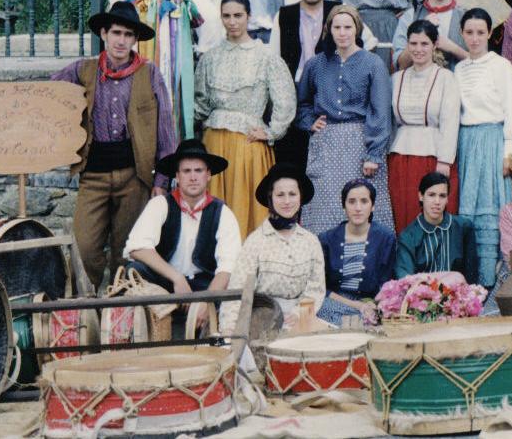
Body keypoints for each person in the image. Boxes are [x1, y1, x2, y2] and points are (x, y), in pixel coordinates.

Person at [52, 1, 176, 287]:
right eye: (117, 33)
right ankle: (88, 315)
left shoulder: (150, 73)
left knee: (127, 251)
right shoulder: (83, 70)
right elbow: (46, 96)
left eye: (128, 35)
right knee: (84, 248)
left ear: (135, 40)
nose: (122, 41)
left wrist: (162, 180)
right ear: (104, 34)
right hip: (92, 176)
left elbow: (165, 129)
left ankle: (121, 319)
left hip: (135, 176)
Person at [195, 0, 297, 236]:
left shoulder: (266, 57)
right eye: (226, 16)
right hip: (214, 143)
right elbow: (200, 102)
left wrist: (272, 131)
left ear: (248, 17)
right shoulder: (210, 58)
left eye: (238, 15)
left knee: (246, 209)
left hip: (249, 145)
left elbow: (285, 99)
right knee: (214, 210)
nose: (232, 22)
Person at [124, 139, 240, 332]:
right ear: (177, 176)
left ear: (208, 175)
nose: (193, 177)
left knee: (232, 290)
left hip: (203, 286)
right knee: (134, 270)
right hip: (165, 285)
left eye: (198, 171)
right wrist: (177, 278)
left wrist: (206, 300)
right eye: (186, 171)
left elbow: (227, 268)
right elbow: (137, 247)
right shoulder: (161, 204)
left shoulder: (222, 212)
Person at [297, 4, 394, 233]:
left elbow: (380, 111)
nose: (342, 32)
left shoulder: (372, 63)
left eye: (348, 27)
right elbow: (302, 103)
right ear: (329, 30)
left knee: (361, 203)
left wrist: (373, 154)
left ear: (357, 29)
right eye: (337, 27)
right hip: (326, 143)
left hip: (360, 142)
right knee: (325, 205)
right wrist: (310, 121)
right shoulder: (315, 64)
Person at [454, 8, 512, 286]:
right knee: (467, 205)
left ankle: (491, 280)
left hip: (493, 140)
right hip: (466, 142)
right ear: (461, 34)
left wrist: (510, 153)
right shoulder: (458, 69)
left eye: (480, 32)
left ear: (490, 34)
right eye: (469, 33)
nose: (474, 38)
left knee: (491, 206)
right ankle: (470, 279)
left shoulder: (501, 66)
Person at [219, 164, 325, 339]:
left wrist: (300, 312)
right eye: (280, 195)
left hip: (300, 319)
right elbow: (239, 289)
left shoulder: (310, 241)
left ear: (300, 197)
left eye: (292, 194)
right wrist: (229, 330)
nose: (287, 201)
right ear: (271, 198)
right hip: (262, 320)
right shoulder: (256, 242)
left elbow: (316, 288)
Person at [388, 21, 462, 231]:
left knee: (433, 215)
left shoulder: (446, 78)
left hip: (433, 157)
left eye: (424, 43)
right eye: (413, 43)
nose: (418, 49)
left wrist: (445, 161)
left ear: (434, 44)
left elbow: (450, 121)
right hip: (401, 156)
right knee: (404, 214)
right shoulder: (396, 78)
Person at [272, 0, 338, 171]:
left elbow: (366, 44)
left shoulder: (338, 10)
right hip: (293, 90)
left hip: (328, 93)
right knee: (293, 159)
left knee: (328, 159)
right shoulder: (284, 15)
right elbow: (273, 61)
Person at [317, 178, 397, 326]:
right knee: (322, 308)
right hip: (337, 303)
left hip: (371, 303)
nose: (358, 208)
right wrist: (356, 306)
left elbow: (386, 282)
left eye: (364, 201)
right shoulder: (327, 239)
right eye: (352, 202)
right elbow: (322, 288)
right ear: (344, 206)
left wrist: (372, 305)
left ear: (372, 206)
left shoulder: (385, 238)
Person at [395, 172, 479, 282]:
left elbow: (471, 275)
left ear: (447, 199)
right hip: (420, 295)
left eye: (442, 196)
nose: (437, 202)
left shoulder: (463, 227)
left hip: (457, 294)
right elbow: (405, 278)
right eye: (431, 195)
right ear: (421, 196)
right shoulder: (408, 236)